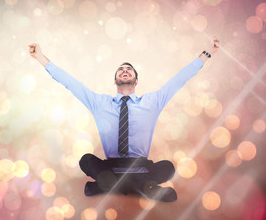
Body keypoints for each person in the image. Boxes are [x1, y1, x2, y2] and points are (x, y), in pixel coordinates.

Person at [29, 38, 220, 202]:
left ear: (136, 81)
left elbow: (179, 79)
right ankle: (143, 189)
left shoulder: (153, 102)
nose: (125, 70)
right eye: (121, 70)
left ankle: (106, 186)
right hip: (112, 165)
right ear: (115, 81)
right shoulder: (99, 102)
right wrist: (40, 57)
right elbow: (70, 83)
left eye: (129, 69)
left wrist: (207, 53)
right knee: (86, 160)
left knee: (168, 167)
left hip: (140, 166)